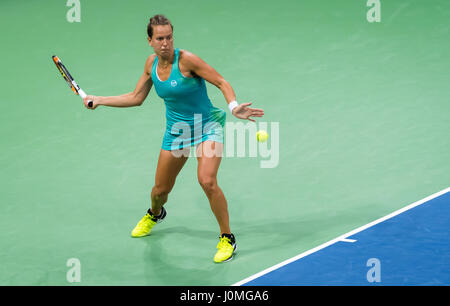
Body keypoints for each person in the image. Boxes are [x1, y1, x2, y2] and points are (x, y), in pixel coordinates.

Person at [83, 14, 264, 263]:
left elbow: (221, 81)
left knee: (207, 180)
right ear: (150, 41)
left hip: (207, 126)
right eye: (160, 38)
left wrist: (233, 107)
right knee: (160, 190)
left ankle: (227, 238)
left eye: (169, 37)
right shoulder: (151, 65)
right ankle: (156, 213)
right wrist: (100, 100)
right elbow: (136, 97)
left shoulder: (187, 60)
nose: (166, 43)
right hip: (177, 133)